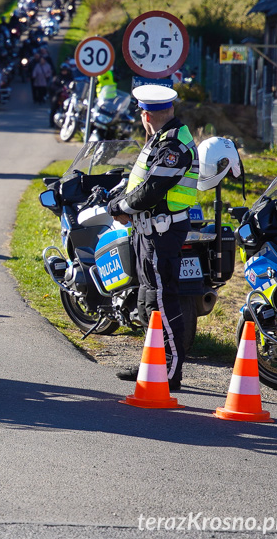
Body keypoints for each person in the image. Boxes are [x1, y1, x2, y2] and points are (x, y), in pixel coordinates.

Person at [107, 84, 199, 390]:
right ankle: (153, 362)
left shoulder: (174, 146)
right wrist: (121, 200)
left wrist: (122, 207)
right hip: (150, 229)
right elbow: (141, 182)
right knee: (148, 299)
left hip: (162, 230)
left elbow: (153, 188)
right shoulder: (162, 139)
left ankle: (170, 371)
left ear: (146, 114)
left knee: (163, 298)